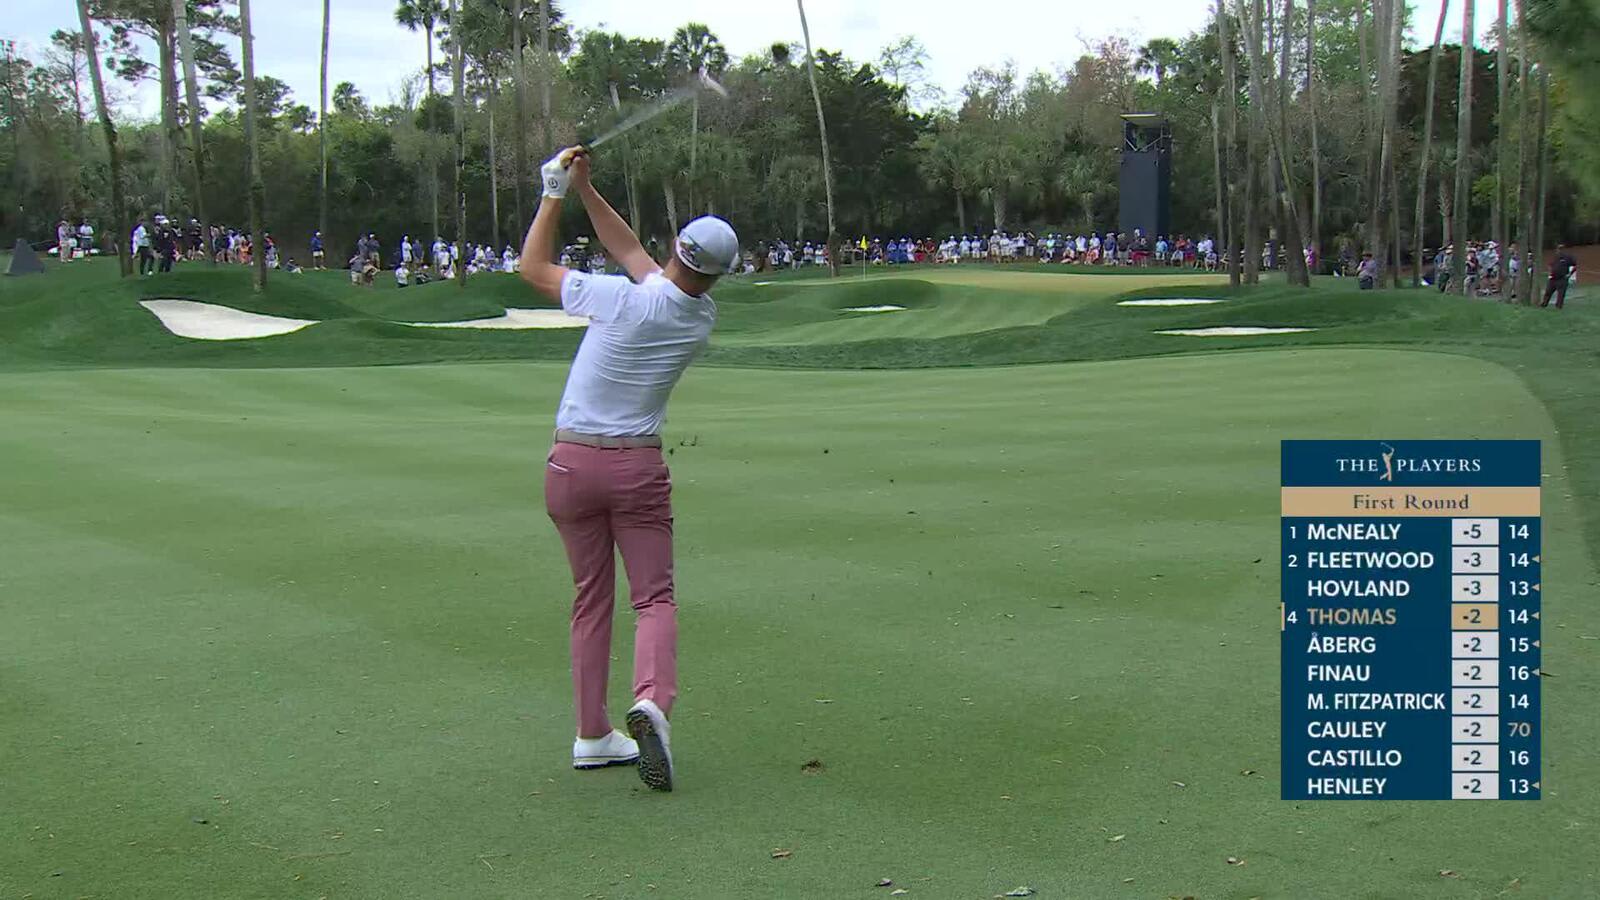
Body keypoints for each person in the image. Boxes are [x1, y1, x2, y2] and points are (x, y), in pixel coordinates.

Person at [520, 147, 736, 793]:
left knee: (591, 600)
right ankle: (650, 704)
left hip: (569, 463)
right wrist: (589, 189)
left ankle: (592, 735)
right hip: (636, 468)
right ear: (717, 274)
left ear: (676, 246)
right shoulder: (698, 317)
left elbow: (531, 267)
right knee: (654, 598)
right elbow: (635, 256)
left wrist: (554, 189)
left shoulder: (620, 299)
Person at [1541, 244, 1578, 310]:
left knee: (1560, 294)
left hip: (1562, 279)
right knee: (1548, 292)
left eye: (1561, 249)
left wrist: (1569, 274)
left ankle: (1558, 307)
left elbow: (1575, 266)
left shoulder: (1568, 257)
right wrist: (1550, 272)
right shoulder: (1555, 257)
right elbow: (1550, 265)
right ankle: (1544, 304)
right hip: (1553, 278)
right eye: (1558, 249)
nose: (1559, 250)